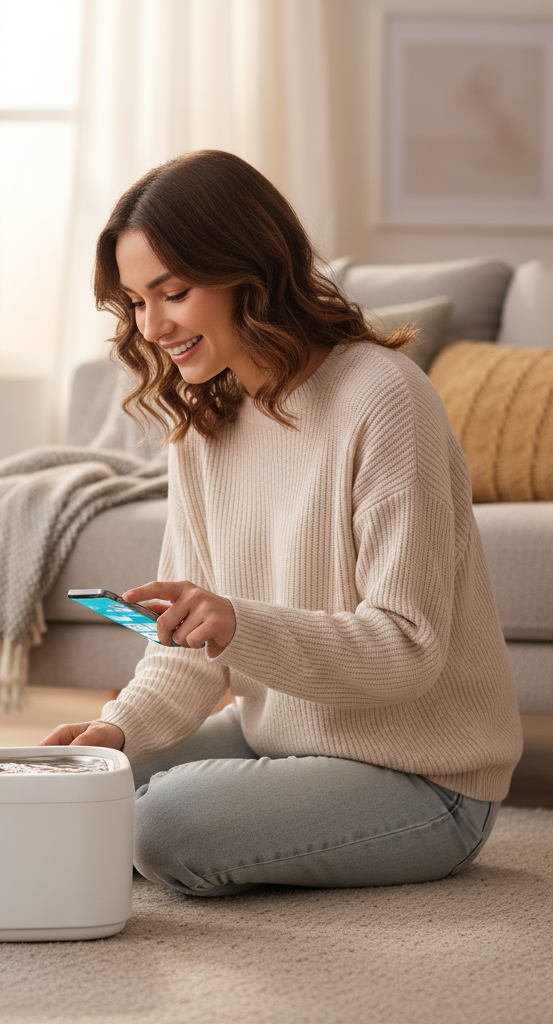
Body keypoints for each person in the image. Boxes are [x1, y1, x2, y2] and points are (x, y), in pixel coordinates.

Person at [40, 150, 522, 897]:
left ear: (249, 271)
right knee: (75, 783)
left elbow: (408, 648)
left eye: (174, 293)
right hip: (279, 740)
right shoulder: (203, 423)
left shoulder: (384, 399)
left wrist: (238, 625)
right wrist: (120, 730)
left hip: (424, 777)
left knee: (163, 824)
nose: (154, 326)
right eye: (136, 302)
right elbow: (186, 652)